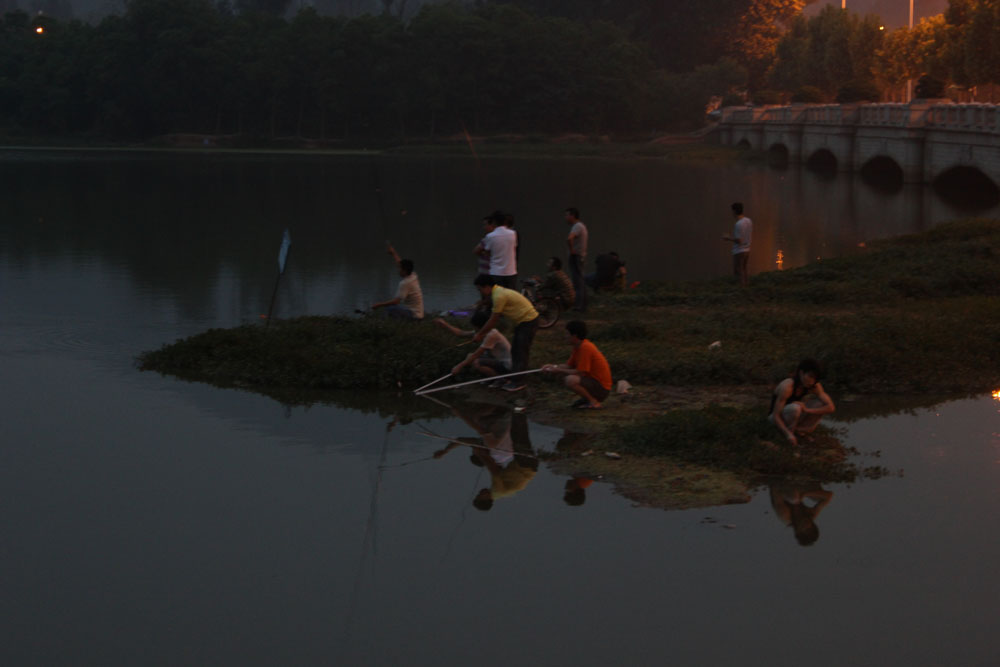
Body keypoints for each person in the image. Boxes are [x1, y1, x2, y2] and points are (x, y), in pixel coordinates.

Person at [472, 274, 539, 392]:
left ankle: (518, 382)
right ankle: (514, 377)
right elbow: (489, 302)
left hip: (528, 321)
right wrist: (482, 303)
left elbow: (493, 320)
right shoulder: (497, 292)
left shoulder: (498, 296)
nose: (481, 292)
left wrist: (480, 334)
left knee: (520, 352)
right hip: (523, 321)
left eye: (480, 289)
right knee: (516, 351)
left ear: (487, 287)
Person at [543, 320, 612, 409]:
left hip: (602, 388)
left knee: (570, 380)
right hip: (593, 383)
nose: (565, 336)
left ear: (574, 336)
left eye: (567, 334)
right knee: (563, 375)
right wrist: (552, 366)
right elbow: (569, 366)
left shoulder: (585, 347)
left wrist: (558, 370)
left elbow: (580, 373)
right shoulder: (578, 347)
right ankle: (588, 399)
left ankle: (594, 402)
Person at [768, 358, 836, 446]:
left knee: (820, 404)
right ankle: (788, 433)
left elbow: (831, 407)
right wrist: (788, 435)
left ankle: (799, 431)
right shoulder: (787, 386)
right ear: (801, 373)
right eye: (810, 376)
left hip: (792, 416)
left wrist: (808, 410)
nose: (812, 381)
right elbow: (776, 415)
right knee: (795, 408)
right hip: (775, 418)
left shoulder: (814, 386)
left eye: (815, 378)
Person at [433, 311, 512, 379]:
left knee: (476, 362)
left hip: (507, 365)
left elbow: (476, 354)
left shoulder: (492, 335)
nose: (474, 329)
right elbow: (461, 333)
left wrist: (458, 367)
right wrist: (444, 324)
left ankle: (502, 380)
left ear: (480, 326)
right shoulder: (482, 332)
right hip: (497, 359)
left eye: (475, 327)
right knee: (469, 357)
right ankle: (491, 377)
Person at [768, 482, 834, 546]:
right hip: (797, 486)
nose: (806, 525)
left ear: (797, 531)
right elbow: (829, 495)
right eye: (810, 528)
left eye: (805, 529)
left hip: (782, 486)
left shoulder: (785, 515)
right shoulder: (810, 516)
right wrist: (806, 494)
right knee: (818, 498)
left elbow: (775, 490)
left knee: (794, 498)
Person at [371, 243, 423, 320]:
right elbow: (400, 263)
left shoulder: (405, 283)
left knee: (390, 309)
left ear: (404, 271)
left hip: (414, 316)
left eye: (400, 269)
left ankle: (383, 326)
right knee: (393, 307)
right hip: (418, 314)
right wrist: (393, 253)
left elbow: (396, 301)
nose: (398, 270)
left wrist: (378, 305)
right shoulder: (413, 275)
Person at [474, 211, 517, 288]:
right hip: (511, 271)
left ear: (494, 222)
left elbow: (487, 252)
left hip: (496, 272)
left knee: (497, 296)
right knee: (510, 296)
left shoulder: (490, 236)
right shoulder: (513, 234)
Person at [722, 201, 752, 287]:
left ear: (734, 211)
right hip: (747, 250)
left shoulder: (738, 224)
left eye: (732, 211)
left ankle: (741, 288)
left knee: (738, 272)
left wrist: (728, 238)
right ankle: (746, 286)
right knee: (744, 269)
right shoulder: (748, 221)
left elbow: (739, 240)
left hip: (739, 251)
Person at [565, 207, 588, 311]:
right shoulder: (581, 226)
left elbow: (569, 238)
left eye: (567, 215)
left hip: (576, 257)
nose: (566, 218)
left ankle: (579, 307)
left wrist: (571, 251)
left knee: (578, 282)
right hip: (580, 256)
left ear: (572, 216)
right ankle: (583, 305)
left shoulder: (577, 226)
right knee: (581, 281)